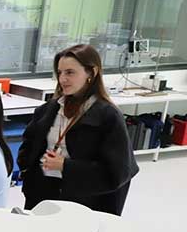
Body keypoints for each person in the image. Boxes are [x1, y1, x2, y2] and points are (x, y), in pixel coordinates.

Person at [17, 44, 138, 215]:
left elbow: (117, 172)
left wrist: (65, 166)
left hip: (83, 200)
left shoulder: (108, 116)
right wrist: (27, 172)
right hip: (42, 193)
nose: (62, 79)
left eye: (70, 72)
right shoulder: (49, 109)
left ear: (91, 73)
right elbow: (29, 145)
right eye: (60, 73)